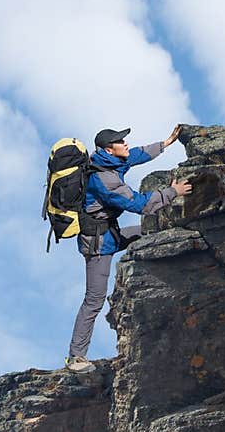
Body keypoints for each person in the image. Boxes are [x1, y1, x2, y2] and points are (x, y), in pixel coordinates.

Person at [64, 126, 192, 371]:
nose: (125, 143)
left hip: (110, 234)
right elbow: (139, 204)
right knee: (94, 299)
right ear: (108, 149)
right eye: (119, 141)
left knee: (148, 232)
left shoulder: (108, 160)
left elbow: (136, 154)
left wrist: (165, 143)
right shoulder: (105, 179)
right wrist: (172, 192)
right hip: (98, 246)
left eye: (122, 139)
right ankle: (75, 357)